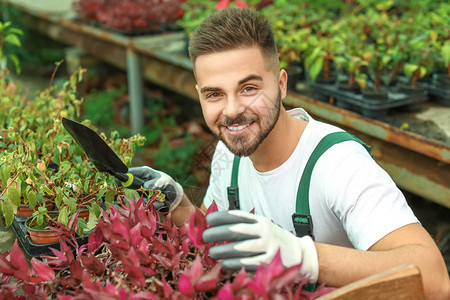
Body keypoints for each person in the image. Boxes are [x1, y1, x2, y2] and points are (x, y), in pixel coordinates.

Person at [129, 7, 450, 299]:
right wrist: (179, 207)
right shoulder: (230, 156)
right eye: (215, 94)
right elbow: (222, 242)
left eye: (249, 88)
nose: (232, 110)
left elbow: (435, 279)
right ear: (199, 95)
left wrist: (303, 256)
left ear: (281, 84)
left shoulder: (338, 165)